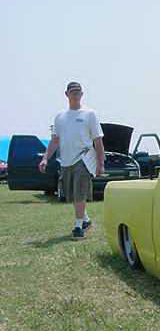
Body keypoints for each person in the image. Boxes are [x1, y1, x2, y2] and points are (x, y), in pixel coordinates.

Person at [39, 82, 104, 239]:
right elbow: (55, 140)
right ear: (66, 94)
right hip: (66, 161)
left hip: (84, 158)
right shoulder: (60, 117)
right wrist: (45, 158)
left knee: (80, 192)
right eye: (72, 92)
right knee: (73, 194)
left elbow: (98, 141)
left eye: (78, 92)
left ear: (82, 94)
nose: (75, 95)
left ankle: (78, 226)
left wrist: (100, 163)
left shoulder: (90, 114)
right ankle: (86, 220)